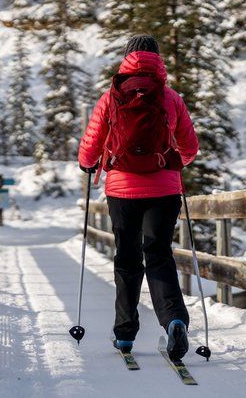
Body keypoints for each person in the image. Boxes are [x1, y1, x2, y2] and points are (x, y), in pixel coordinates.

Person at [77, 35, 199, 361]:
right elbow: (190, 147)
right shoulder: (171, 98)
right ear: (158, 60)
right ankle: (174, 319)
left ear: (127, 59)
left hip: (121, 190)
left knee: (128, 259)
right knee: (159, 254)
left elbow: (91, 143)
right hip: (165, 190)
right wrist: (173, 165)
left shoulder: (112, 97)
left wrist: (88, 164)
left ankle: (125, 335)